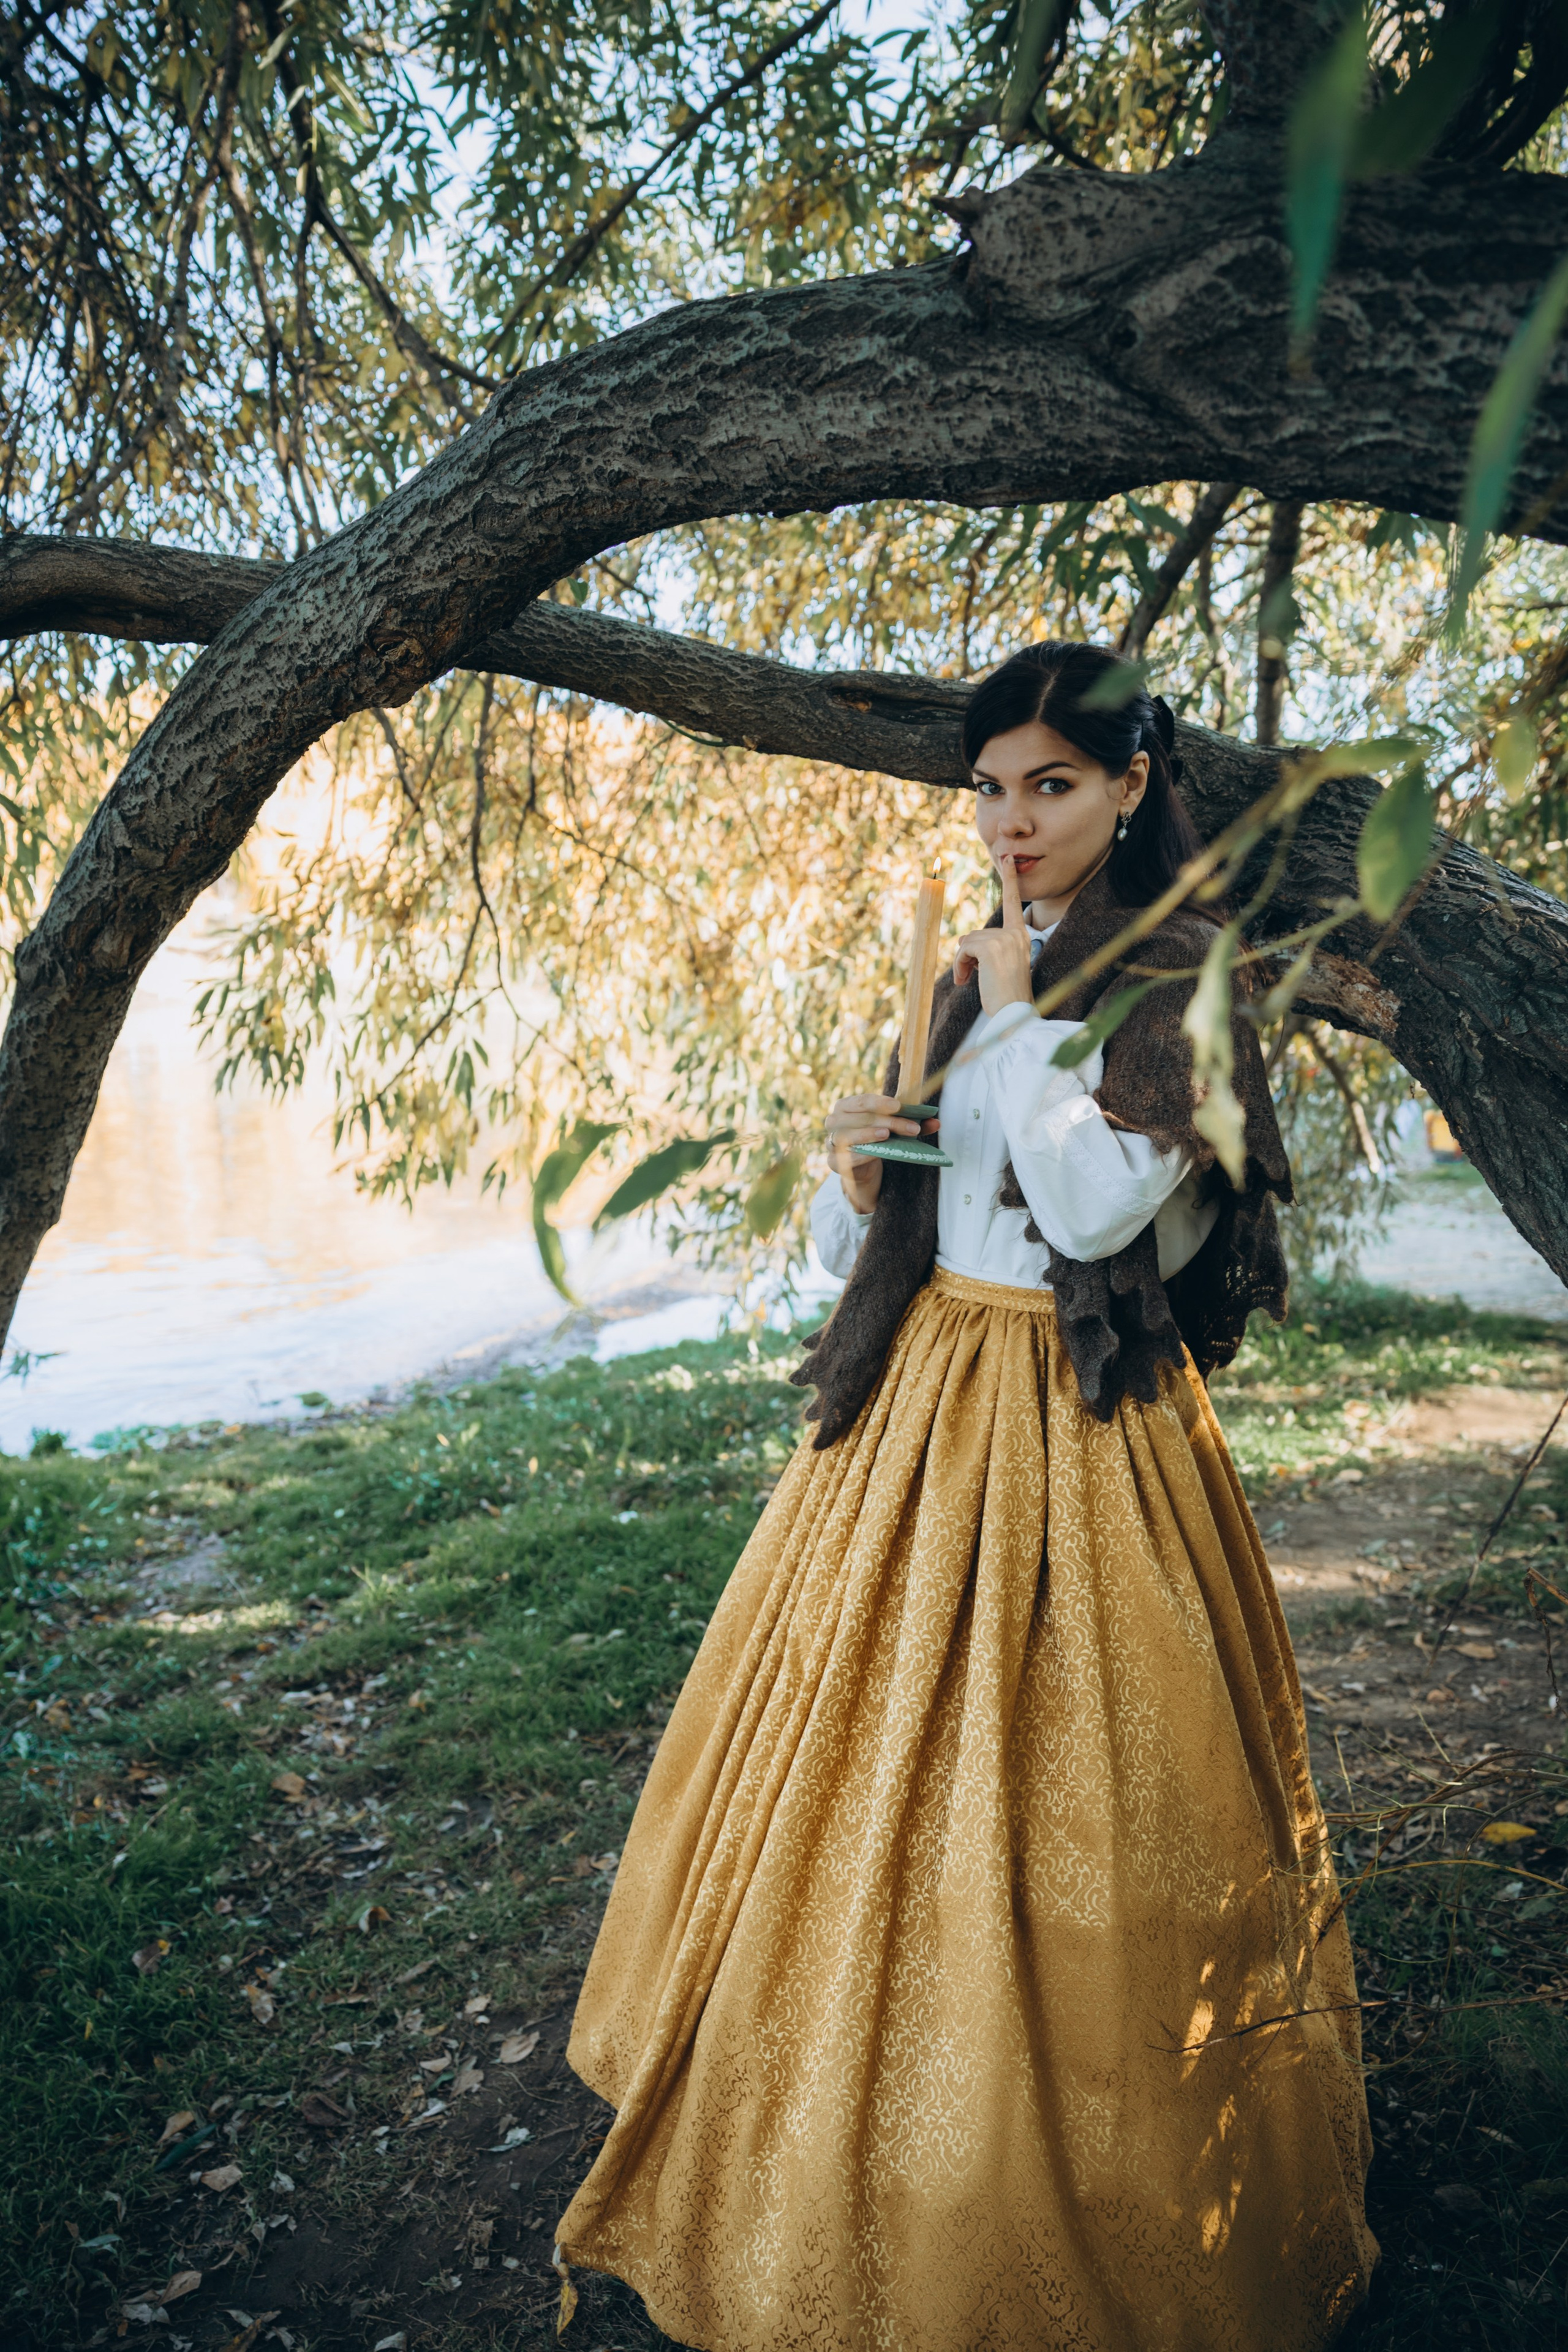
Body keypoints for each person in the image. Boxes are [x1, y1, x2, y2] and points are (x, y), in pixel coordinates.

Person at [553, 641, 1377, 2351]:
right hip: (926, 1396)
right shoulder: (981, 967)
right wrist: (863, 1166)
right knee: (856, 1776)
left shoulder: (1190, 975)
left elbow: (1088, 1216)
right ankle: (826, 2136)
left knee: (1080, 1789)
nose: (1011, 821)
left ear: (1135, 786)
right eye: (991, 787)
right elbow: (923, 1214)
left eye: (1051, 786)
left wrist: (1005, 1022)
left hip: (1084, 1421)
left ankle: (1063, 2187)